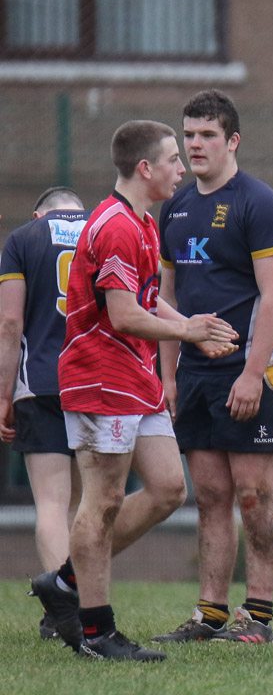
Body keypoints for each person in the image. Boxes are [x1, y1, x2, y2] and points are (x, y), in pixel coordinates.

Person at [35, 120, 238, 661]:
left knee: (170, 487)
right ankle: (97, 633)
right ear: (145, 168)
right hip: (101, 378)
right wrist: (187, 332)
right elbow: (124, 316)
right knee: (100, 503)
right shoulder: (117, 227)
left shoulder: (143, 222)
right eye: (172, 158)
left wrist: (191, 321)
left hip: (135, 378)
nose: (182, 166)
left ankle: (64, 584)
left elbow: (145, 301)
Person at [151, 90, 273, 646]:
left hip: (253, 369)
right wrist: (168, 375)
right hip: (195, 374)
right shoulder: (176, 207)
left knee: (254, 493)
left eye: (207, 135)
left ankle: (257, 619)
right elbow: (163, 294)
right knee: (209, 493)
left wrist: (252, 373)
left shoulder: (259, 203)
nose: (195, 146)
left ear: (233, 140)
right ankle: (209, 615)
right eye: (188, 136)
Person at [0, 187, 87, 639]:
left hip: (41, 382)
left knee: (52, 502)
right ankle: (83, 599)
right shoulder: (103, 227)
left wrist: (2, 394)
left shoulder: (23, 237)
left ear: (40, 214)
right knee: (85, 502)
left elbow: (10, 323)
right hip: (97, 381)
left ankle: (61, 610)